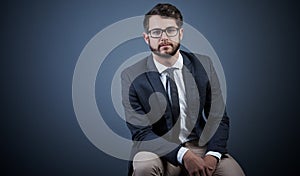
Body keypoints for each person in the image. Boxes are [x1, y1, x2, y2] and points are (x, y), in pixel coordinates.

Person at [121, 3, 245, 176]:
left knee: (234, 173)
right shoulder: (131, 76)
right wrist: (184, 155)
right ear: (146, 38)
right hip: (157, 150)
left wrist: (213, 155)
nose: (163, 37)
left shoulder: (204, 65)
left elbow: (218, 117)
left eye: (170, 30)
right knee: (144, 168)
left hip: (200, 145)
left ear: (180, 33)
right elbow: (141, 133)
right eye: (156, 32)